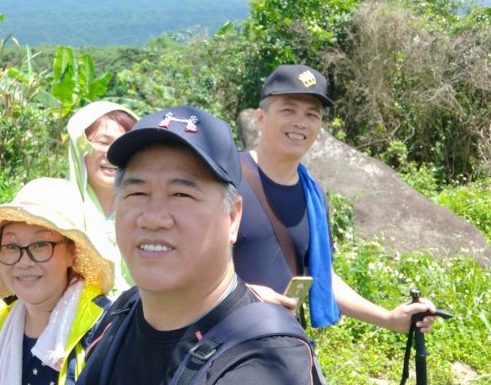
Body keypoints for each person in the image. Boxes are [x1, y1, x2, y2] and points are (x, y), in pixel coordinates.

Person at [78, 105, 314, 385]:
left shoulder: (266, 359)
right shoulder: (123, 312)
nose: (153, 218)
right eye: (137, 192)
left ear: (232, 217)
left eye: (181, 194)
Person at [234, 64, 438, 379]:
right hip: (225, 349)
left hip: (284, 350)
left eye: (311, 114)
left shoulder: (313, 194)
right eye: (288, 109)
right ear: (260, 118)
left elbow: (320, 275)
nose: (300, 122)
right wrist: (242, 293)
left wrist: (388, 318)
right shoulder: (226, 180)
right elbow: (187, 267)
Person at [0, 177, 115, 385]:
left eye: (40, 244)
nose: (24, 262)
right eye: (11, 246)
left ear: (72, 252)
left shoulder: (105, 328)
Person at [66, 101, 139, 294]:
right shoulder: (59, 207)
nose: (112, 154)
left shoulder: (147, 211)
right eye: (103, 142)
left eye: (121, 145)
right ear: (80, 146)